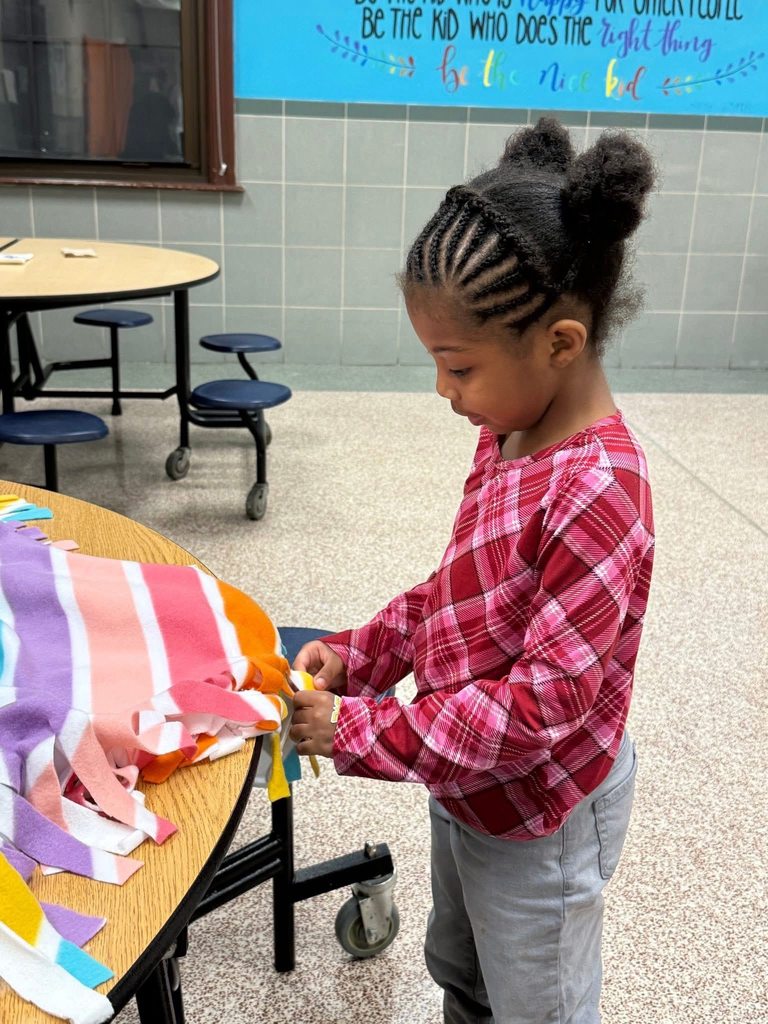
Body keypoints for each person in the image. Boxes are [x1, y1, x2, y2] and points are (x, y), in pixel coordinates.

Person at [289, 117, 656, 1024]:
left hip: (542, 815)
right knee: (462, 967)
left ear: (560, 345)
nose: (443, 392)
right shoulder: (509, 434)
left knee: (538, 1005)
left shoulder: (600, 490)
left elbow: (539, 708)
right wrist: (361, 657)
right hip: (462, 778)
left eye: (457, 367)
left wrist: (360, 731)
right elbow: (453, 593)